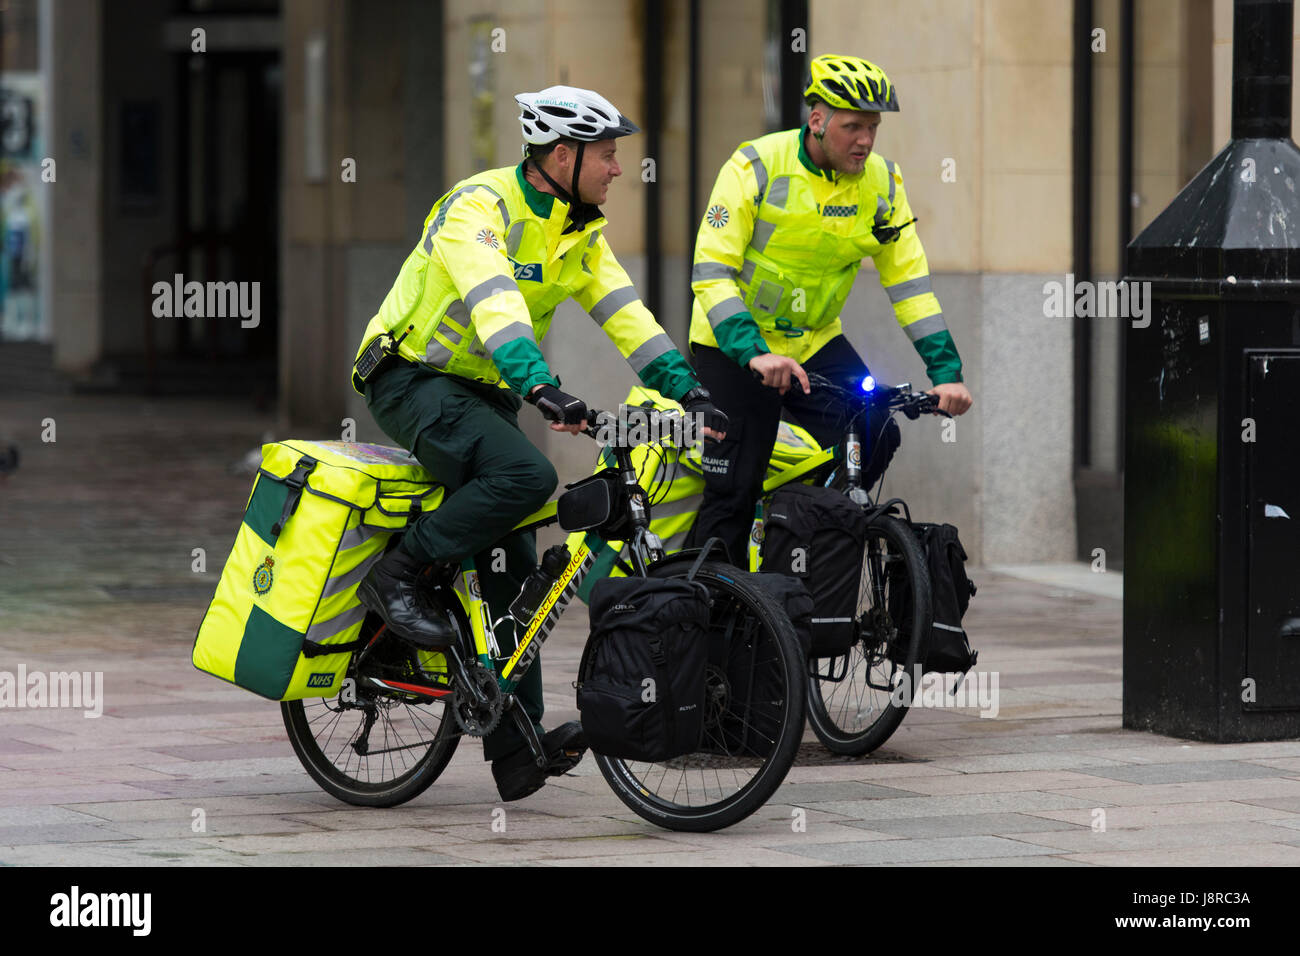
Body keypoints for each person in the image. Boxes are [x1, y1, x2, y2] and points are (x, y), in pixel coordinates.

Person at [350, 85, 727, 802]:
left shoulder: (577, 232)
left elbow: (625, 313)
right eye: (609, 155)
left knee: (515, 564)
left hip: (480, 394)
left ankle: (515, 748)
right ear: (564, 154)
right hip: (409, 377)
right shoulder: (478, 208)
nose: (618, 170)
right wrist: (542, 386)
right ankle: (398, 575)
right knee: (525, 476)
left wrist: (689, 389)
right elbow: (493, 301)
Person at [686, 54, 974, 565]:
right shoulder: (755, 165)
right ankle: (700, 618)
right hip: (735, 345)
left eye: (873, 127)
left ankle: (792, 531)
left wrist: (946, 372)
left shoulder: (881, 184)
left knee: (875, 432)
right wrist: (753, 353)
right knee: (733, 489)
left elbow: (909, 282)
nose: (865, 140)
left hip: (813, 342)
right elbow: (712, 271)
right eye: (852, 126)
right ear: (816, 119)